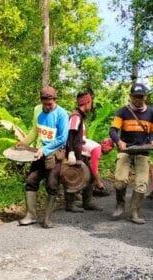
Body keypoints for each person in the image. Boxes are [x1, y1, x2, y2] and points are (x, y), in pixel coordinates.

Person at [18, 86, 69, 228]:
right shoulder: (37, 110)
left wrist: (45, 149)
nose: (47, 107)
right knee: (31, 180)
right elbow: (35, 130)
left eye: (50, 104)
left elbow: (62, 138)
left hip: (54, 153)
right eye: (45, 104)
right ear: (41, 101)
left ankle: (47, 218)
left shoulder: (62, 114)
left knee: (51, 185)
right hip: (39, 152)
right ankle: (31, 215)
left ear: (55, 100)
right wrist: (23, 143)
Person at [109, 83, 153, 224]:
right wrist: (119, 141)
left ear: (145, 97)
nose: (138, 100)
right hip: (126, 149)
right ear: (130, 96)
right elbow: (113, 130)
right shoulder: (123, 111)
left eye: (141, 97)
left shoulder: (152, 112)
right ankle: (120, 204)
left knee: (142, 183)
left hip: (143, 150)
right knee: (120, 180)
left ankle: (134, 212)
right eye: (135, 97)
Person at [64, 90, 102, 212]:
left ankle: (87, 202)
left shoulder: (80, 116)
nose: (92, 105)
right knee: (73, 176)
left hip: (81, 152)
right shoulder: (76, 116)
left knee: (89, 175)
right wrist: (70, 152)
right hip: (74, 153)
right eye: (91, 102)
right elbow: (70, 135)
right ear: (87, 102)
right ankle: (70, 204)